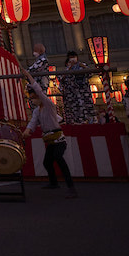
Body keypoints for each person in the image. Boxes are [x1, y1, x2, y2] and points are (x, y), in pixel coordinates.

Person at [22, 69, 78, 198]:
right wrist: (27, 131)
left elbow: (40, 91)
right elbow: (33, 123)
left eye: (34, 97)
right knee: (47, 162)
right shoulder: (37, 111)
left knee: (59, 159)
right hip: (50, 140)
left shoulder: (48, 104)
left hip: (59, 139)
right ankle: (54, 182)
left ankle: (71, 187)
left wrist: (28, 76)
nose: (33, 100)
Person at [59, 51, 95, 124]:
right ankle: (77, 122)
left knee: (87, 107)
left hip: (84, 92)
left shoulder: (82, 66)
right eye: (71, 58)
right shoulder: (67, 68)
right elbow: (61, 79)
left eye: (74, 57)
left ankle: (90, 120)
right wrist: (70, 68)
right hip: (73, 94)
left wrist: (83, 66)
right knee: (75, 110)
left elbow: (90, 73)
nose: (73, 59)